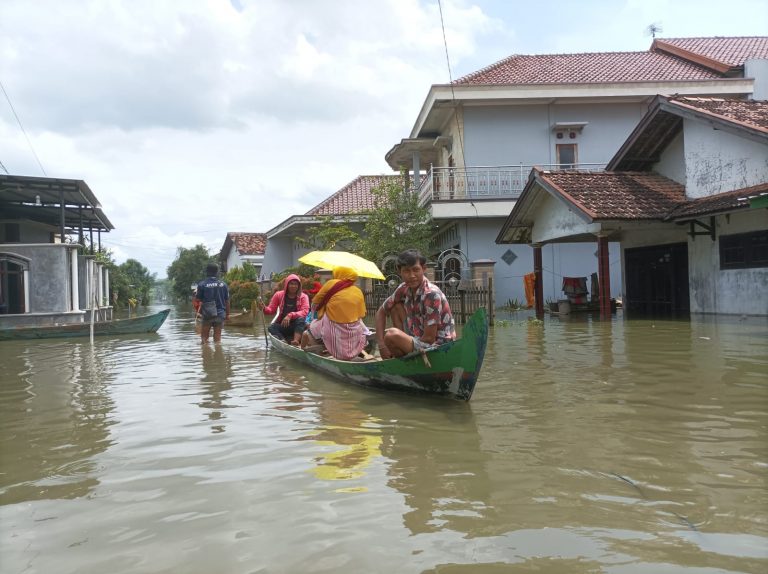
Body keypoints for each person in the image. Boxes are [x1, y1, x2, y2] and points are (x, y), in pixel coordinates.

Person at [375, 249, 455, 359]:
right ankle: (401, 359)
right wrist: (382, 346)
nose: (412, 275)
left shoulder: (431, 294)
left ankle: (403, 358)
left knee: (391, 335)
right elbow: (381, 312)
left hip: (437, 346)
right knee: (395, 307)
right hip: (417, 338)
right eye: (407, 271)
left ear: (424, 269)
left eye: (416, 270)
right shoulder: (403, 288)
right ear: (400, 271)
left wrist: (399, 342)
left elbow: (429, 339)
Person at [301, 266, 368, 360]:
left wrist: (313, 316)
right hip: (354, 327)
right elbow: (362, 313)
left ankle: (321, 351)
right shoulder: (357, 290)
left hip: (333, 325)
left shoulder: (331, 283)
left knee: (310, 330)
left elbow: (315, 303)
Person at [259, 273, 309, 345]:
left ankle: (296, 341)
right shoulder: (279, 295)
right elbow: (271, 310)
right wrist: (264, 308)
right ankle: (283, 341)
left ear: (299, 286)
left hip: (298, 326)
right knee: (271, 327)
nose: (293, 286)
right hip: (283, 325)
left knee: (301, 319)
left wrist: (290, 315)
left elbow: (305, 311)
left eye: (296, 284)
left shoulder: (304, 297)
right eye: (291, 284)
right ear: (287, 285)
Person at [195, 263, 230, 344]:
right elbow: (227, 301)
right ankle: (218, 353)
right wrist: (227, 314)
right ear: (217, 272)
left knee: (204, 338)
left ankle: (206, 353)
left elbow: (197, 300)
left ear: (207, 272)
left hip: (207, 314)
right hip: (220, 314)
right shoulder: (223, 285)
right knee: (217, 338)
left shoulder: (202, 284)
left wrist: (198, 312)